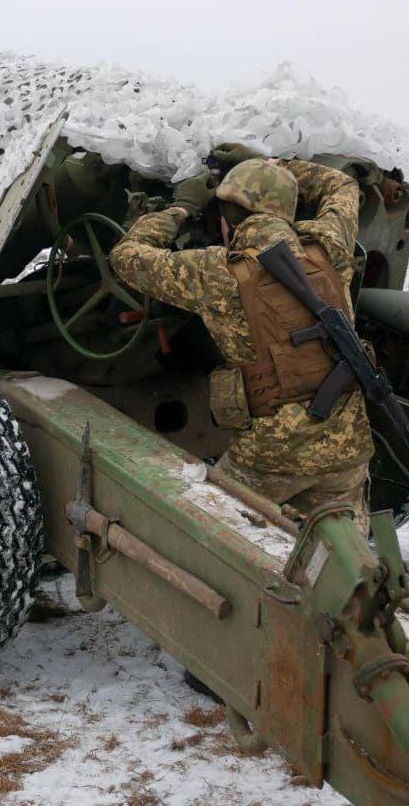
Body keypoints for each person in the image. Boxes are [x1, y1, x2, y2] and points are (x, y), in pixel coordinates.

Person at [109, 144, 374, 534]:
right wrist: (276, 167)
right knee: (338, 561)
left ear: (228, 218)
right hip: (348, 451)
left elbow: (126, 256)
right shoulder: (330, 246)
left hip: (268, 460)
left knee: (219, 538)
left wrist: (180, 209)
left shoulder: (216, 273)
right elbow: (343, 186)